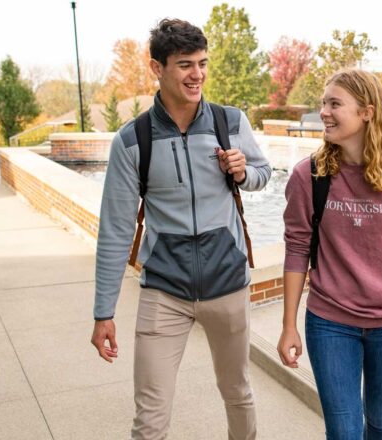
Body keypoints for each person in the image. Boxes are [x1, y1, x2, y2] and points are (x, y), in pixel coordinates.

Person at [90, 19, 270, 440]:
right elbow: (115, 229)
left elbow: (263, 175)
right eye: (185, 64)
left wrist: (245, 173)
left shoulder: (229, 121)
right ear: (157, 68)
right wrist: (104, 311)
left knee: (237, 392)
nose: (197, 75)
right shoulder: (132, 140)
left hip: (228, 284)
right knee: (150, 417)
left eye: (203, 63)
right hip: (163, 292)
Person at [277, 69, 382, 439]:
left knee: (381, 423)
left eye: (335, 104)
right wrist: (289, 325)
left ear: (367, 112)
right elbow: (297, 249)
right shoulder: (309, 176)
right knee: (344, 430)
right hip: (330, 322)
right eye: (323, 103)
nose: (325, 112)